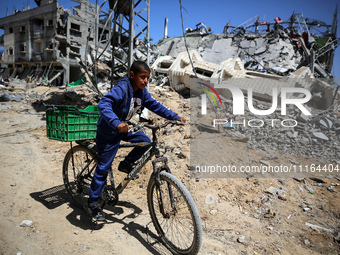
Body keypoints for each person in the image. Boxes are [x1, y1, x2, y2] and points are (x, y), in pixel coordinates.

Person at [86, 61, 186, 221]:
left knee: (144, 141)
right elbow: (104, 103)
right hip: (109, 131)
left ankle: (126, 164)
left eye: (148, 78)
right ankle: (92, 203)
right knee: (104, 166)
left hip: (125, 127)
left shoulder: (142, 92)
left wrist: (174, 117)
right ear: (132, 75)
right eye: (142, 77)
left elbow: (156, 105)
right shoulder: (122, 88)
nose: (146, 81)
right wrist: (116, 123)